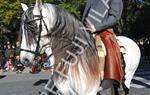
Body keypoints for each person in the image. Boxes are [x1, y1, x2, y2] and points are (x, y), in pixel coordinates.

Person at [82, 0, 124, 91]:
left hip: (103, 31)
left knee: (110, 50)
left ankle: (113, 78)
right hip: (86, 31)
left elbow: (114, 17)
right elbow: (85, 16)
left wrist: (96, 27)